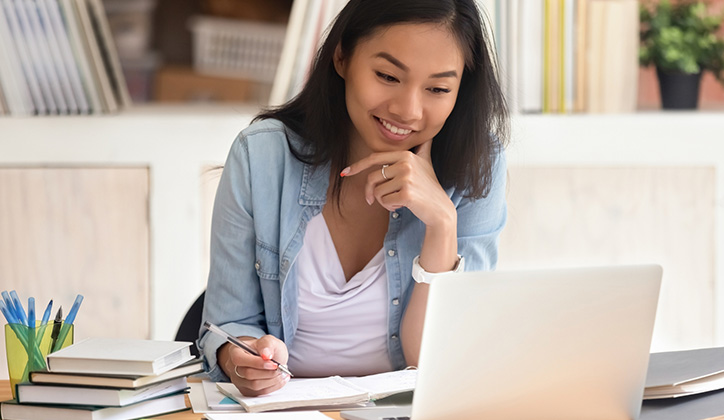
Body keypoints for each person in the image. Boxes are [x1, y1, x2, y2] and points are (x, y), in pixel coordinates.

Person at [197, 0, 509, 397]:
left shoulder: (477, 166)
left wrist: (442, 223)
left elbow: (436, 363)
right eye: (387, 75)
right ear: (342, 57)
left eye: (438, 88)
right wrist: (241, 358)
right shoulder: (262, 156)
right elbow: (227, 326)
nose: (408, 110)